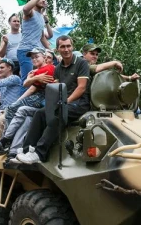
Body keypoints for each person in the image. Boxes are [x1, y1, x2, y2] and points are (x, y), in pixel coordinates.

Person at [17, 36, 92, 164]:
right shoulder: (57, 69)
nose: (66, 49)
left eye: (68, 46)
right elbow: (56, 89)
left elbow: (81, 88)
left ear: (72, 47)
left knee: (59, 112)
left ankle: (40, 154)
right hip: (64, 103)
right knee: (40, 113)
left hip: (80, 103)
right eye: (62, 46)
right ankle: (25, 152)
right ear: (58, 49)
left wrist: (65, 102)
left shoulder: (81, 63)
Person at [16, 0, 54, 82]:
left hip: (36, 52)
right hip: (25, 50)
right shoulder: (31, 12)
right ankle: (22, 97)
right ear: (34, 0)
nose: (43, 0)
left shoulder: (41, 17)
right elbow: (25, 9)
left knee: (36, 80)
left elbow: (42, 37)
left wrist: (52, 51)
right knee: (27, 80)